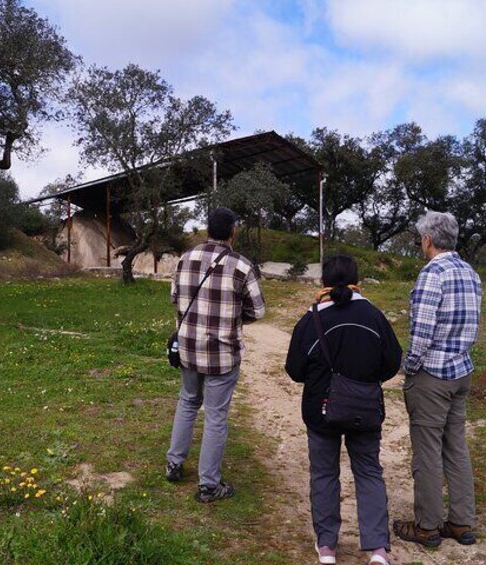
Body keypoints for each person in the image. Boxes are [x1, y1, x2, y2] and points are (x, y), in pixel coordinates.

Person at [285, 255, 401, 565]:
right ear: (356, 279)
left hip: (320, 410)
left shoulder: (311, 320)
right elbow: (392, 363)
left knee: (324, 474)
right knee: (369, 473)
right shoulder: (375, 317)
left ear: (323, 282)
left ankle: (327, 548)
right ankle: (378, 550)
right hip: (365, 410)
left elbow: (294, 370)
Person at [393, 211, 483, 548]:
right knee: (456, 446)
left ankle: (427, 526)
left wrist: (410, 367)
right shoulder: (471, 274)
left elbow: (421, 332)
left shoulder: (433, 274)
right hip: (462, 371)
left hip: (432, 374)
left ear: (428, 239)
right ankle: (461, 522)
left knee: (427, 451)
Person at [165, 207, 266, 503]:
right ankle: (209, 484)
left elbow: (175, 298)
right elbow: (258, 310)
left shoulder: (185, 259)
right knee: (216, 415)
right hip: (222, 354)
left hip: (188, 347)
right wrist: (235, 319)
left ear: (207, 229)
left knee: (187, 401)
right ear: (232, 231)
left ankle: (174, 464)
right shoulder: (242, 266)